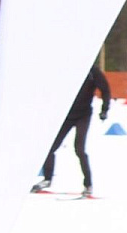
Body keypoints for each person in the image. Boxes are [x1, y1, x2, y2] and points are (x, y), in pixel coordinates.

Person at [34, 60, 112, 196]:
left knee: (79, 149)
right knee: (50, 147)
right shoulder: (68, 69)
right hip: (66, 115)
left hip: (83, 115)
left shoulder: (93, 71)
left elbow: (105, 89)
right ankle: (47, 179)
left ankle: (88, 184)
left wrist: (104, 109)